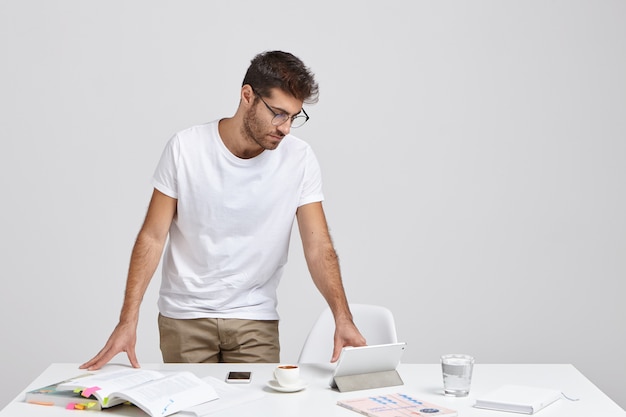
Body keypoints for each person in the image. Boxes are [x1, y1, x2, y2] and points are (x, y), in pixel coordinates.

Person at [81, 50, 366, 371]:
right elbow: (153, 236)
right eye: (278, 113)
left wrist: (342, 317)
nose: (286, 128)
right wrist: (126, 320)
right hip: (185, 316)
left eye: (294, 117)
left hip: (254, 318)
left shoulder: (299, 158)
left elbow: (318, 246)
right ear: (248, 96)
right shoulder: (185, 148)